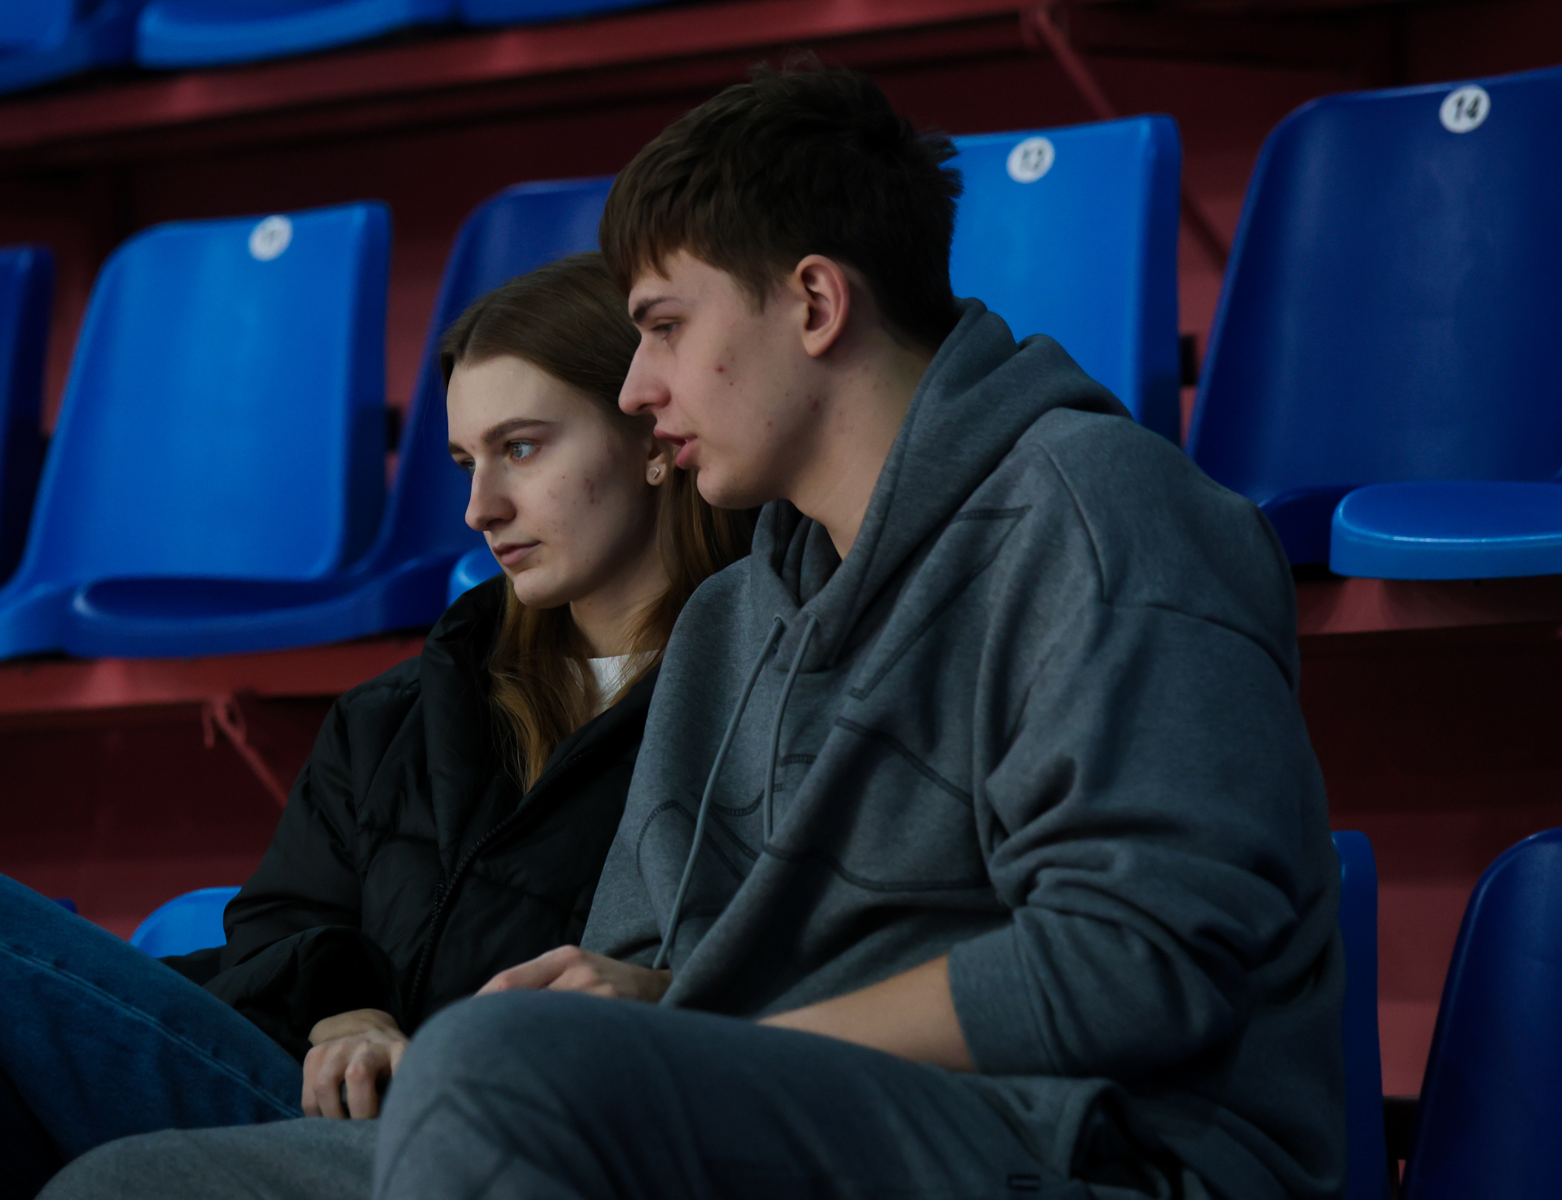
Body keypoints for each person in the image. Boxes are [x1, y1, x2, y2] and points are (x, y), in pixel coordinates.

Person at [349, 62, 1345, 1200]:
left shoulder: (1102, 514)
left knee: (492, 1067)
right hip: (791, 1127)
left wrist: (714, 1049)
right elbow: (659, 983)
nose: (634, 389)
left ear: (817, 305)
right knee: (189, 1169)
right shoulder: (729, 620)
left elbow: (1138, 961)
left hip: (1105, 1152)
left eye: (665, 327)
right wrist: (654, 1005)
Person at [0, 251, 751, 1200]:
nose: (479, 508)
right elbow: (281, 923)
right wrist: (345, 1013)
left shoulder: (757, 696)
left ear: (649, 439)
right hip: (297, 1104)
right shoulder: (404, 708)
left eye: (521, 449)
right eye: (463, 462)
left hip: (463, 1143)